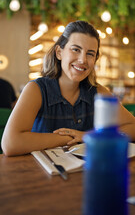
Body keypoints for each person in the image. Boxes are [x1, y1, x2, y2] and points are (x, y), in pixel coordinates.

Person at [1, 21, 135, 156]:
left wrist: (86, 136)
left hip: (83, 171)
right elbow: (10, 143)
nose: (82, 59)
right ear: (59, 52)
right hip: (41, 172)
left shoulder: (98, 92)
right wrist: (70, 137)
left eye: (90, 53)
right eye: (76, 49)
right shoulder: (36, 90)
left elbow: (133, 127)